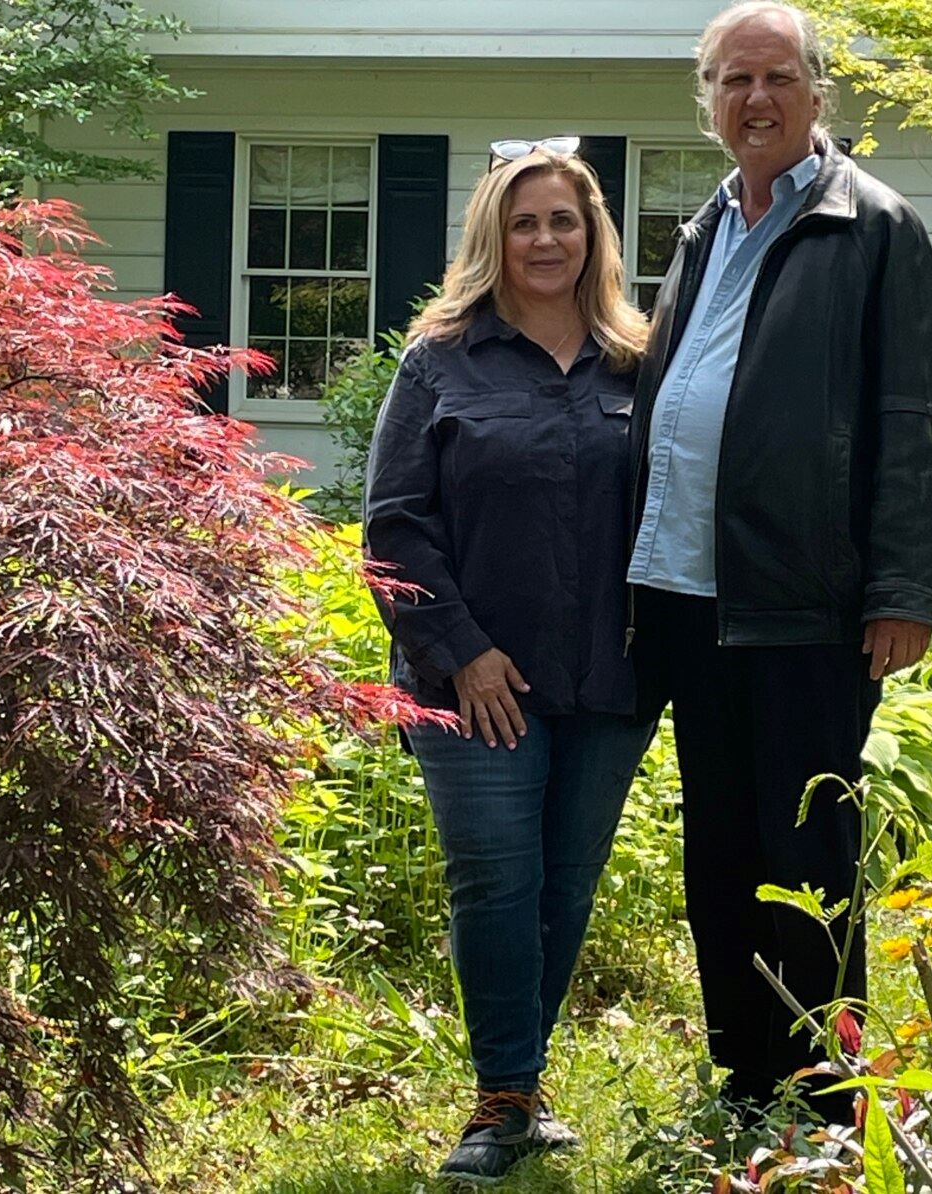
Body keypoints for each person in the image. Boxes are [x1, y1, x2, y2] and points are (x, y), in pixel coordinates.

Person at [625, 0, 932, 1124]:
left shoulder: (874, 229)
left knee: (808, 850)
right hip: (685, 593)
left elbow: (915, 414)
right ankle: (746, 1073)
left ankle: (828, 1093)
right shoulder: (702, 229)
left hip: (804, 601)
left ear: (819, 93)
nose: (754, 100)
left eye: (776, 78)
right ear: (706, 99)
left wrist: (905, 587)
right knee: (718, 844)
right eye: (731, 80)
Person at [362, 138, 654, 1184]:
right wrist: (465, 652)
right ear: (494, 235)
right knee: (493, 883)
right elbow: (393, 525)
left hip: (608, 680)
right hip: (473, 682)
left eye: (563, 221)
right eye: (524, 222)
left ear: (592, 237)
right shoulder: (441, 359)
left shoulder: (637, 360)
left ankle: (523, 1087)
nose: (544, 239)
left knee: (562, 889)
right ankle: (500, 1099)